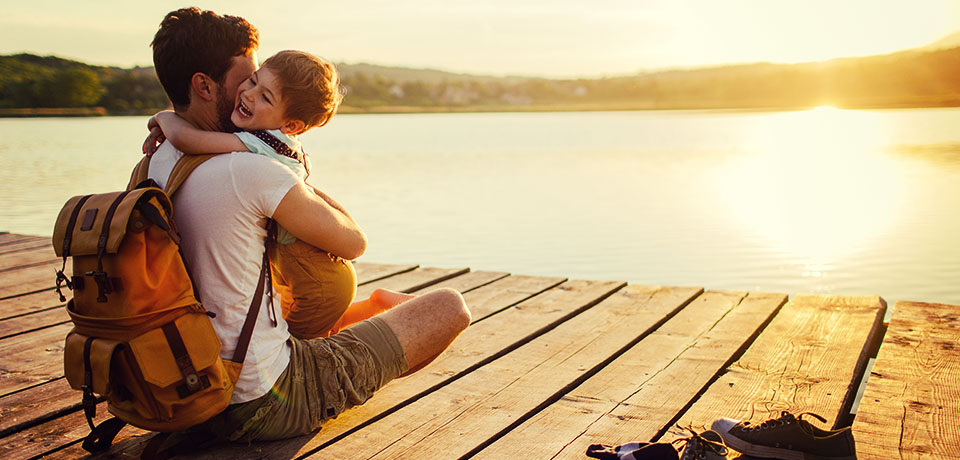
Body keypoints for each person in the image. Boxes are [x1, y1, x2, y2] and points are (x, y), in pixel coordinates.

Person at [142, 7, 471, 442]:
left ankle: (364, 324)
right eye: (247, 77)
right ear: (204, 85)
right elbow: (353, 242)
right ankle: (352, 363)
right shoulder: (250, 170)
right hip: (259, 400)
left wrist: (166, 119)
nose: (249, 89)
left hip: (186, 391)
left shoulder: (155, 161)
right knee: (449, 307)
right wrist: (296, 175)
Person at [144, 49, 408, 340]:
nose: (249, 94)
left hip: (312, 275)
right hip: (308, 269)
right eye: (253, 81)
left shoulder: (257, 143)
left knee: (297, 342)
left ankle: (383, 312)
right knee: (315, 330)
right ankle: (377, 305)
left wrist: (164, 117)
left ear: (291, 124)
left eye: (266, 97)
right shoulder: (281, 139)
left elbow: (188, 140)